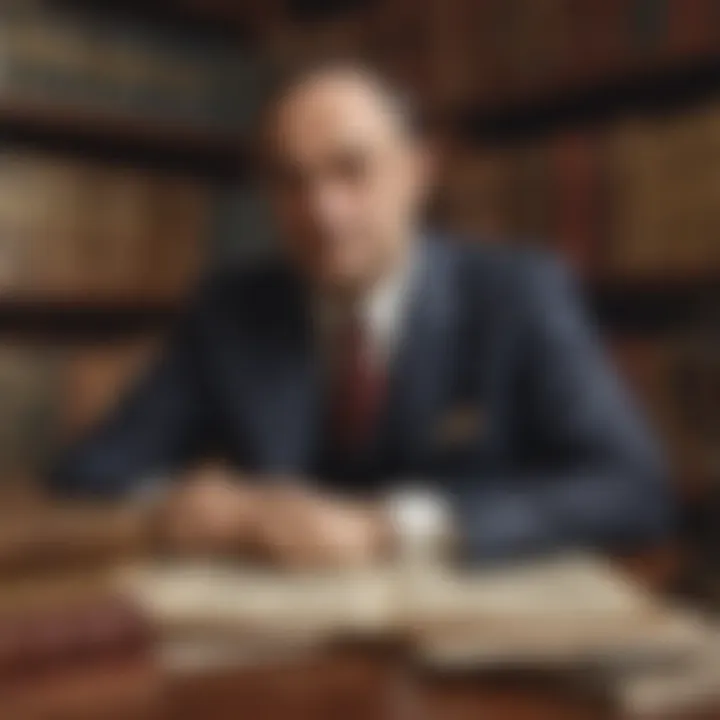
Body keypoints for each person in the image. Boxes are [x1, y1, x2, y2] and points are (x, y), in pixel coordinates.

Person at [51, 61, 673, 567]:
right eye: (291, 181)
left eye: (352, 170)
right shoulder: (231, 308)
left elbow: (632, 487)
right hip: (273, 654)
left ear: (417, 172)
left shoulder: (519, 293)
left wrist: (390, 529)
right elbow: (92, 469)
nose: (322, 210)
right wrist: (185, 504)